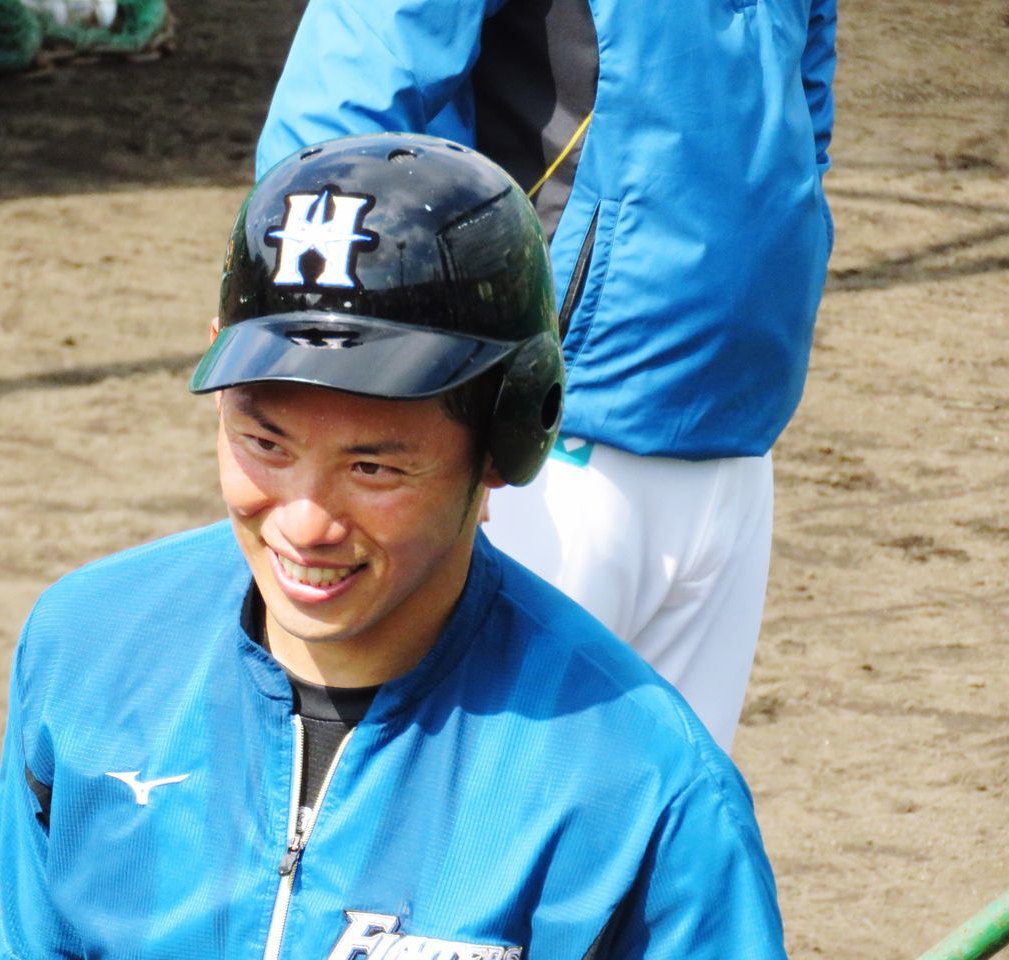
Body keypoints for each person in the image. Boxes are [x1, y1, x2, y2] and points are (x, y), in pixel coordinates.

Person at [0, 133, 788, 958]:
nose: (304, 522)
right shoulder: (88, 648)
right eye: (265, 445)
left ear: (510, 435)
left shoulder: (637, 783)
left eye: (372, 466)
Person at [255, 0, 838, 750]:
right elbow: (342, 118)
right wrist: (371, 400)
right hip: (534, 427)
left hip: (736, 420)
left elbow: (802, 107)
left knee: (666, 825)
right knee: (447, 813)